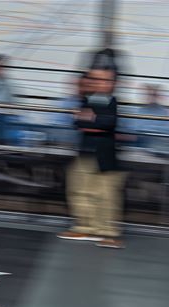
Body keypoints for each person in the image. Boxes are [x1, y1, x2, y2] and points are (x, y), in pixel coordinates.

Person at [58, 68, 126, 249]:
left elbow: (107, 123)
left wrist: (89, 119)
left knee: (105, 196)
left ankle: (108, 233)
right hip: (85, 152)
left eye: (102, 80)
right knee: (79, 191)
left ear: (111, 83)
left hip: (104, 155)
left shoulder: (111, 101)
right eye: (95, 79)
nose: (96, 82)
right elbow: (78, 122)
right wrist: (90, 120)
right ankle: (85, 227)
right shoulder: (87, 99)